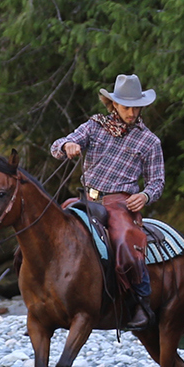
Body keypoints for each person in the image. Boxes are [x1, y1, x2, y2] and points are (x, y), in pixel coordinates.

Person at [49, 74, 165, 328]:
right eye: (126, 107)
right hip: (87, 198)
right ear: (113, 105)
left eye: (136, 107)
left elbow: (157, 182)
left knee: (125, 242)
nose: (132, 112)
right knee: (50, 228)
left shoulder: (149, 141)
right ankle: (45, 295)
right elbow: (56, 146)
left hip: (120, 203)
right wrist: (68, 145)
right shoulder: (94, 126)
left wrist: (144, 195)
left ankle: (141, 302)